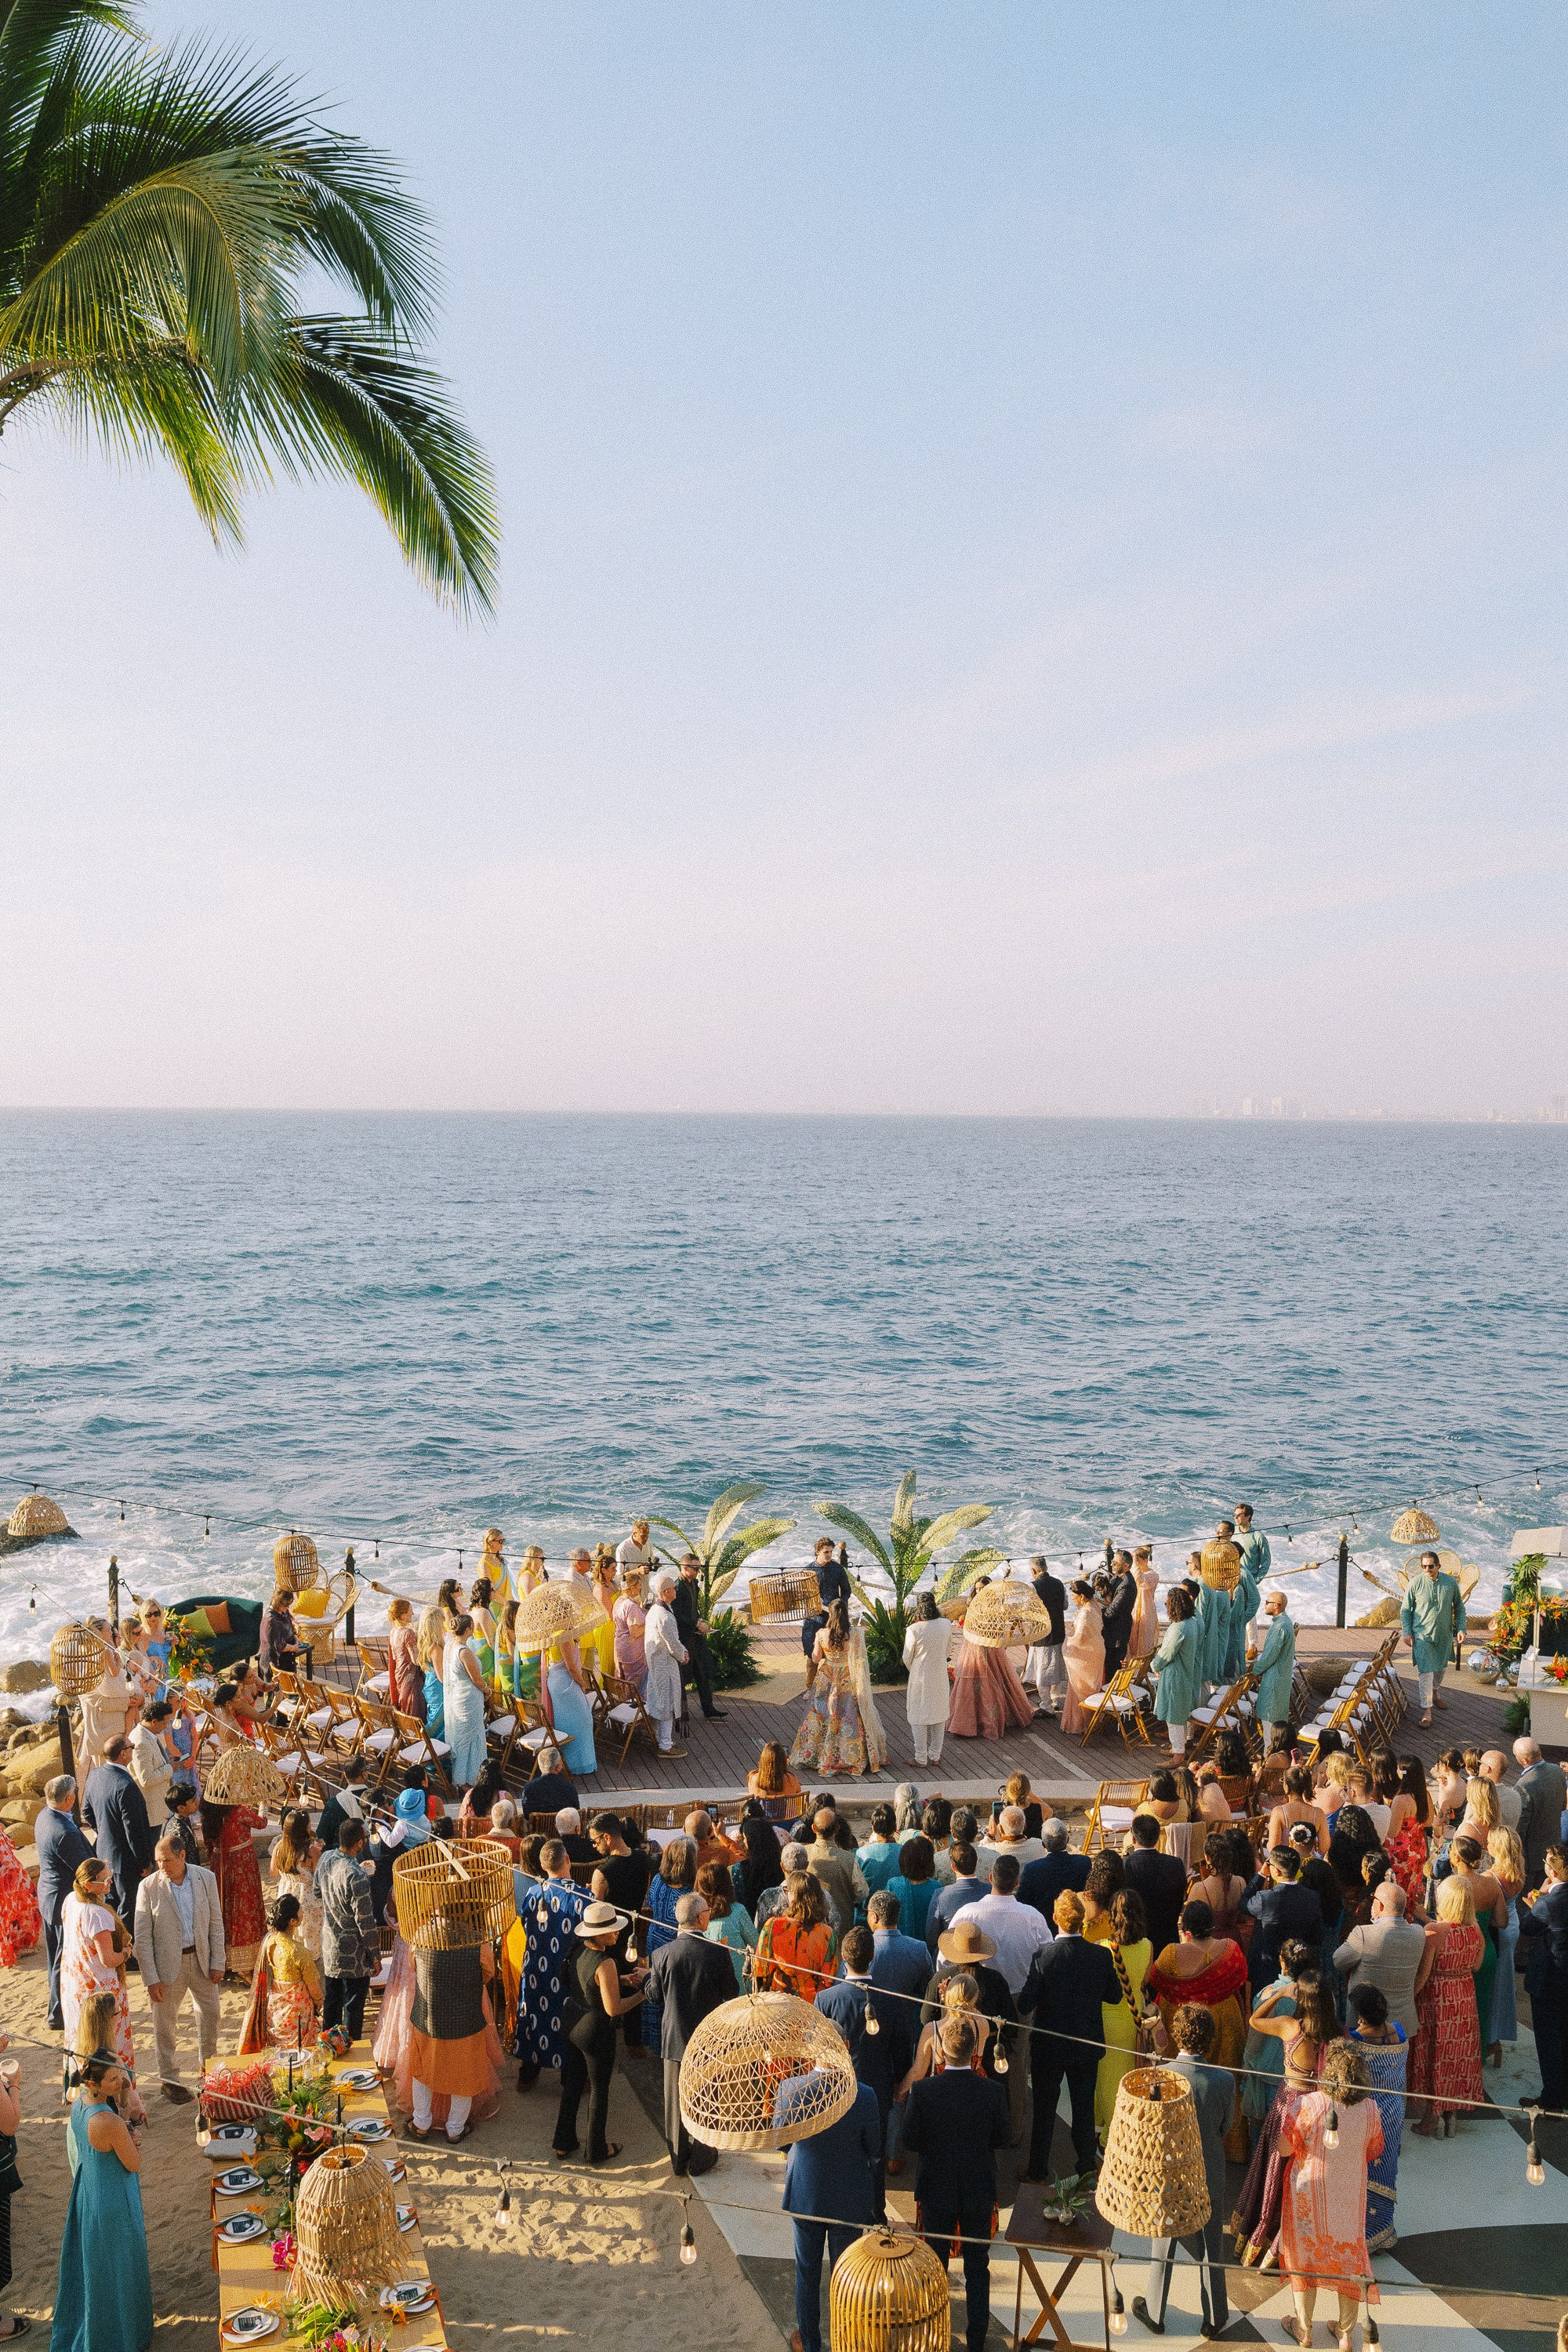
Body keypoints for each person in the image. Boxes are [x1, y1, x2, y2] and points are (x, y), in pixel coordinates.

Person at [902, 2013, 1011, 2352]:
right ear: (972, 2050)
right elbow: (1003, 2138)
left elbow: (910, 2141)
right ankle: (976, 2340)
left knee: (935, 2267)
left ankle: (935, 2334)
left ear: (944, 2050)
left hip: (937, 2189)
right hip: (978, 2188)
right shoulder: (993, 2092)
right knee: (979, 2267)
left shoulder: (923, 2091)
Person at [1133, 2003, 1236, 2341]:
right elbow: (1226, 2127)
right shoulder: (1224, 2080)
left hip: (1170, 2170)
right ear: (1209, 2039)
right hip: (1209, 2167)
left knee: (1163, 2241)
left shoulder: (1160, 2075)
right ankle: (1215, 2316)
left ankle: (1156, 2311)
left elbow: (1151, 2126)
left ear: (1177, 2035)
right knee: (1211, 2243)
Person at [1279, 2040, 1382, 2350]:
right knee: (1350, 2260)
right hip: (1349, 2194)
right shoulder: (1371, 2108)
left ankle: (1305, 2329)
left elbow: (1285, 2148)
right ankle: (1347, 2334)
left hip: (1307, 2193)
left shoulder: (1307, 2104)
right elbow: (1373, 2148)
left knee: (1304, 2259)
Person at [50, 2049, 153, 2352]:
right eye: (113, 2077)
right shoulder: (108, 2123)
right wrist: (129, 2135)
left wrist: (123, 2125)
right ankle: (124, 2337)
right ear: (96, 2083)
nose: (122, 2080)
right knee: (120, 2265)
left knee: (99, 2265)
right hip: (113, 2197)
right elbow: (134, 2163)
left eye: (121, 2070)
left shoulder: (81, 2103)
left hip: (90, 2190)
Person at [777, 2059, 883, 2352]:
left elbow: (781, 2141)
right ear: (843, 2049)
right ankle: (844, 2342)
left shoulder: (791, 2088)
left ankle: (810, 2344)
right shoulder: (864, 2094)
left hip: (806, 2193)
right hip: (849, 2197)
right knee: (846, 2276)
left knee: (807, 2272)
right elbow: (874, 2148)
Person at [1018, 1889, 1116, 2179]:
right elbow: (1113, 1996)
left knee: (1044, 2110)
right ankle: (1086, 2164)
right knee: (1083, 2107)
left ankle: (1038, 2169)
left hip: (1048, 2048)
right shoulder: (1100, 1955)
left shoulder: (1043, 1957)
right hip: (1085, 2045)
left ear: (1055, 1919)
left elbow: (1026, 2004)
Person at [815, 1925, 914, 2200]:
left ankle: (843, 2199)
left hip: (837, 2089)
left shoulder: (825, 1999)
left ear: (843, 1960)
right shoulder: (892, 2000)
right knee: (876, 2151)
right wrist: (899, 2082)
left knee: (841, 2148)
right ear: (872, 1958)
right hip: (879, 2086)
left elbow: (818, 2047)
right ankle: (876, 2207)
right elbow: (903, 2048)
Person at [1146, 1899, 1250, 2158]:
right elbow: (1241, 1976)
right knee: (1227, 2078)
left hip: (1181, 2019)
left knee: (1179, 2077)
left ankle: (1175, 2141)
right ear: (1212, 1926)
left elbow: (1155, 1979)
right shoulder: (1231, 1950)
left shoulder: (1171, 1953)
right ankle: (1230, 2146)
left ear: (1187, 1929)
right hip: (1224, 2019)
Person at [645, 1891, 737, 2176]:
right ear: (701, 1918)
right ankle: (702, 2156)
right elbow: (731, 1992)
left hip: (674, 2037)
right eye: (708, 1911)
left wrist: (645, 1979)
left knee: (674, 2101)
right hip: (708, 2039)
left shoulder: (662, 1955)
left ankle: (678, 2158)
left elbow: (654, 1996)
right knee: (707, 2098)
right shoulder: (718, 1953)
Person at [132, 1831, 223, 2098]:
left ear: (183, 1856)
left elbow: (215, 1922)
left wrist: (218, 1960)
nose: (161, 1866)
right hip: (166, 1968)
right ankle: (170, 2079)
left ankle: (208, 2072)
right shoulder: (148, 1887)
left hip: (201, 1960)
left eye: (167, 1860)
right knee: (165, 2023)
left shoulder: (206, 1878)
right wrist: (150, 1978)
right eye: (158, 1861)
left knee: (211, 2015)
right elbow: (142, 1937)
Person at [555, 1900, 646, 2165]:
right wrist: (641, 1995)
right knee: (598, 2090)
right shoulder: (606, 1962)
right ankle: (596, 2150)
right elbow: (614, 2009)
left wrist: (619, 1981)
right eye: (613, 1929)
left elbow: (586, 1981)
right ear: (599, 1933)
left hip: (571, 2019)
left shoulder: (577, 1948)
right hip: (594, 2030)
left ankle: (563, 2142)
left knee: (572, 2084)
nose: (617, 1933)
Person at [408, 1931, 503, 2144]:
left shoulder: (421, 1936)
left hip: (428, 2017)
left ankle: (421, 2124)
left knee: (423, 2070)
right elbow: (487, 1973)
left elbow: (414, 1965)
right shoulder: (477, 1941)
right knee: (464, 2074)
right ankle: (455, 2129)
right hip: (465, 2019)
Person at [1408, 1875, 1483, 2136]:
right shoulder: (1475, 1930)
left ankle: (1431, 2117)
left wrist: (1406, 2001)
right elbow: (1476, 1965)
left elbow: (1423, 1975)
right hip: (1464, 1996)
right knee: (1456, 2054)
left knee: (1434, 2054)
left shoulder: (1434, 1933)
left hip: (1436, 1999)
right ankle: (1451, 2114)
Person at [517, 1841, 592, 2087]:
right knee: (568, 2021)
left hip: (537, 1969)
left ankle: (528, 2074)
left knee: (534, 2016)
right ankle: (570, 2079)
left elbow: (526, 1925)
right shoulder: (585, 1896)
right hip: (568, 1970)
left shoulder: (533, 1893)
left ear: (542, 1866)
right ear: (568, 1860)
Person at [1345, 1984, 1406, 2256]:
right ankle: (1383, 2231)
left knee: (1364, 2168)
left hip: (1368, 2115)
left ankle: (1363, 2235)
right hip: (1393, 2111)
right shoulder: (1400, 2031)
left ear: (1360, 2014)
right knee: (1388, 2163)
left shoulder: (1355, 2041)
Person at [792, 1599, 885, 1775]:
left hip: (827, 1677)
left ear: (831, 1614)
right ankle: (851, 1756)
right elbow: (859, 1659)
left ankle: (816, 1754)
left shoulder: (821, 1634)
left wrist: (818, 1649)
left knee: (822, 1714)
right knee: (849, 1716)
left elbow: (815, 1659)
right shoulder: (855, 1634)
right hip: (847, 1676)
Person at [60, 1860, 135, 2078]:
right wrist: (126, 1954)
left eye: (109, 1875)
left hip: (76, 1984)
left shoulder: (70, 1900)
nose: (109, 1881)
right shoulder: (98, 1914)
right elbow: (109, 1959)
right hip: (100, 1988)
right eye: (104, 1879)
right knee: (111, 2042)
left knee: (80, 2037)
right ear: (88, 1885)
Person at [1090, 1886, 1152, 2132]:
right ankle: (1126, 2127)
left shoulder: (1101, 1946)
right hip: (1134, 2020)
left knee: (1106, 2082)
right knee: (1131, 2078)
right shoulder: (1147, 1945)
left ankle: (1106, 2130)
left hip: (1106, 2019)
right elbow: (1145, 1980)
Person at [951, 1853, 1051, 2004]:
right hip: (1019, 1994)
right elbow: (1048, 1955)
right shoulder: (1033, 1917)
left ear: (991, 1878)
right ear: (1017, 1883)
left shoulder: (968, 1913)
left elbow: (946, 1957)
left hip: (978, 1996)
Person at [1333, 1881, 1425, 2038]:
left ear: (1380, 1906)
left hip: (1365, 2024)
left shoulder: (1364, 1934)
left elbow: (1338, 1961)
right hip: (1402, 2025)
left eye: (1373, 1899)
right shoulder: (1418, 1933)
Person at [37, 1778, 93, 2031]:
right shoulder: (65, 1833)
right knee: (62, 1958)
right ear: (69, 1799)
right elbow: (85, 1869)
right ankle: (57, 2014)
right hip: (61, 1900)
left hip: (49, 1895)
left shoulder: (45, 1816)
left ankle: (58, 2008)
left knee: (56, 1956)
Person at [81, 1740, 154, 1929]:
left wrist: (105, 1832)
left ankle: (113, 1945)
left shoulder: (95, 1774)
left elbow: (87, 1812)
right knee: (128, 1908)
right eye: (131, 1747)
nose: (133, 1750)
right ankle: (124, 1952)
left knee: (111, 1903)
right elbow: (134, 1830)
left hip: (105, 1854)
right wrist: (144, 1862)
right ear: (123, 1753)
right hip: (127, 1862)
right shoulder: (125, 1786)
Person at [316, 1820, 378, 2045]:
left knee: (331, 2005)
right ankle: (351, 2058)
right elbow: (366, 1922)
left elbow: (317, 1891)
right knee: (353, 2009)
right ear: (359, 1842)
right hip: (354, 1955)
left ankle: (327, 2052)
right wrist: (376, 1956)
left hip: (331, 1946)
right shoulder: (357, 1876)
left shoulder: (325, 1859)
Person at [947, 1586, 1034, 1741]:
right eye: (978, 1588)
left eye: (984, 1588)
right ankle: (965, 1723)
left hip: (990, 1647)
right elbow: (967, 1625)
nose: (981, 1590)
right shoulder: (972, 1604)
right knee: (970, 1682)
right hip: (973, 1647)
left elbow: (999, 1630)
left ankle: (991, 1721)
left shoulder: (996, 1607)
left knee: (995, 1679)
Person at [240, 1892, 321, 2053]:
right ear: (293, 1922)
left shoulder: (270, 1941)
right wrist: (319, 2002)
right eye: (300, 1911)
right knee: (301, 2054)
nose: (302, 1912)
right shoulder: (300, 1953)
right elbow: (314, 1989)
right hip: (297, 2013)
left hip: (276, 2011)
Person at [1519, 1842, 1568, 2110]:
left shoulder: (1551, 1901)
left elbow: (1528, 1926)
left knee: (1549, 2043)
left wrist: (1539, 1898)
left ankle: (1552, 2100)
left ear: (1554, 1871)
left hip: (1549, 1981)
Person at [198, 1796, 266, 1980]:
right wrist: (263, 1804)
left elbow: (208, 1845)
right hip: (242, 1865)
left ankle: (224, 1959)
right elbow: (262, 1823)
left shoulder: (209, 1816)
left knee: (224, 1909)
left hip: (220, 1868)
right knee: (244, 1908)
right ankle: (244, 1963)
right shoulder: (238, 1812)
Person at [1247, 1846, 1327, 1994]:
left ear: (1276, 1871)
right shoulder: (1312, 1897)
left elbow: (1244, 1902)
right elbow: (1317, 1937)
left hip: (1266, 1969)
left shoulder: (1266, 1899)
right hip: (1298, 1968)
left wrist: (1261, 1876)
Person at [1400, 1549, 1465, 1727]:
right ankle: (1427, 1711)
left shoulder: (1450, 1583)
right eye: (1424, 1566)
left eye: (1431, 1566)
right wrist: (1407, 1631)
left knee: (1441, 1668)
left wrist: (1461, 1628)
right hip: (1422, 1634)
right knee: (1426, 1672)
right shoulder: (1415, 1583)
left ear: (1438, 1566)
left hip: (1444, 1634)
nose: (1427, 1569)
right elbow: (1406, 1610)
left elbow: (1459, 1608)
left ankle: (1435, 1693)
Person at [755, 1871, 839, 2002]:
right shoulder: (827, 1934)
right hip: (813, 2003)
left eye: (788, 1890)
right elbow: (830, 1979)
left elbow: (761, 1969)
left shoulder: (772, 1926)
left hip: (779, 2000)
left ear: (794, 1895)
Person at [1123, 1814, 1189, 1962]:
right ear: (1158, 1837)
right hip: (1168, 1939)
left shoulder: (1126, 1865)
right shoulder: (1175, 1864)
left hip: (1137, 1942)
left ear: (1134, 1839)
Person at [1149, 1586, 1203, 1756]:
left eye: (1167, 1603)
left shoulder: (1178, 1628)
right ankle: (1178, 1748)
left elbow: (1166, 1654)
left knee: (1173, 1715)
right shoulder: (1192, 1624)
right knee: (1179, 1713)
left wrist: (1154, 1666)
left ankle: (1179, 1753)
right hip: (1186, 1673)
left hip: (1175, 1675)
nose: (1166, 1606)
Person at [671, 1554, 726, 1722]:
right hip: (685, 1638)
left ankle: (709, 1709)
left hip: (695, 1635)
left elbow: (693, 1610)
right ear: (685, 1568)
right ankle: (678, 1712)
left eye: (699, 1568)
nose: (698, 1571)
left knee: (703, 1672)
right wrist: (696, 1623)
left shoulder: (694, 1584)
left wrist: (701, 1620)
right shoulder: (678, 1587)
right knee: (684, 1677)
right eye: (695, 1568)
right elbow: (677, 1615)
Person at [903, 1593, 956, 1762]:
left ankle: (920, 1757)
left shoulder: (914, 1630)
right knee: (939, 1713)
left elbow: (907, 1657)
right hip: (939, 1673)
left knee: (918, 1714)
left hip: (920, 1675)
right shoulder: (946, 1624)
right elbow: (948, 1650)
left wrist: (915, 1668)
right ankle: (935, 1755)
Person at [439, 1611, 488, 1790]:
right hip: (468, 1699)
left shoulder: (450, 1645)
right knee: (470, 1738)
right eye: (472, 1627)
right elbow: (476, 1679)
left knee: (465, 1739)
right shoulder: (464, 1652)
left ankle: (467, 1777)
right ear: (468, 1629)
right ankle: (465, 1780)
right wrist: (487, 1690)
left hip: (457, 1696)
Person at [643, 1575, 689, 1759]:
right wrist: (683, 1656)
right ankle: (665, 1745)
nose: (676, 1591)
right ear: (666, 1592)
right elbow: (672, 1643)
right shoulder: (665, 1617)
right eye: (674, 1589)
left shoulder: (655, 1610)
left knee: (658, 1701)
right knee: (667, 1705)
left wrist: (681, 1650)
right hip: (664, 1665)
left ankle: (658, 1737)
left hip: (656, 1663)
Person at [1515, 1737, 1568, 1890]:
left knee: (1530, 1898)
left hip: (1532, 1857)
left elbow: (1521, 1828)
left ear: (1523, 1760)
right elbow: (1563, 1805)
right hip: (1554, 1846)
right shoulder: (1557, 1771)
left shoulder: (1524, 1785)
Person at [267, 1809, 323, 1955]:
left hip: (286, 1894)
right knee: (310, 1941)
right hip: (308, 1899)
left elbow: (273, 1873)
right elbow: (319, 1880)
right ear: (306, 1828)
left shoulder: (279, 1847)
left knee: (289, 1938)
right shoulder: (312, 1852)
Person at [800, 1537, 853, 1690]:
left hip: (833, 1618)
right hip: (813, 1617)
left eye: (831, 1552)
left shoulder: (837, 1569)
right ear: (817, 1552)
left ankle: (833, 1687)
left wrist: (838, 1608)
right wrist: (808, 1605)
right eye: (826, 1552)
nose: (829, 1555)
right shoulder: (807, 1571)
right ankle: (810, 1688)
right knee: (812, 1656)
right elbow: (801, 1595)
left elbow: (847, 1591)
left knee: (834, 1654)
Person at [78, 1646, 134, 1778]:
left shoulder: (110, 1673)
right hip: (102, 1737)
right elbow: (100, 1702)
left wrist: (138, 1699)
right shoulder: (85, 1678)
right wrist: (128, 1702)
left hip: (121, 1733)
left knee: (127, 1777)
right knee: (108, 1778)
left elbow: (130, 1689)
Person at [1249, 1590, 1296, 1748]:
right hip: (1281, 1676)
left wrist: (1254, 1671)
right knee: (1277, 1719)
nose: (1265, 1605)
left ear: (1276, 1606)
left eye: (1268, 1602)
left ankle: (1270, 1756)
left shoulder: (1279, 1627)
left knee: (1270, 1719)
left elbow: (1269, 1655)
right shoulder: (1285, 1623)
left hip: (1275, 1678)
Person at [1024, 1555, 1069, 1711]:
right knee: (1055, 1669)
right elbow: (1065, 1606)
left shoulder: (1032, 1587)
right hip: (1058, 1632)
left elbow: (1027, 1611)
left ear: (1033, 1571)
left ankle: (1046, 1706)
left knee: (1041, 1673)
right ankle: (1055, 1701)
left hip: (1042, 1634)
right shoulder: (1059, 1584)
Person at [125, 1704, 173, 1834]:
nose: (166, 1727)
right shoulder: (141, 1742)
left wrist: (167, 1762)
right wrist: (170, 1768)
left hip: (158, 1808)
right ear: (154, 1721)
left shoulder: (147, 1734)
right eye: (165, 1723)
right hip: (151, 1812)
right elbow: (146, 1779)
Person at [612, 1567, 649, 1695]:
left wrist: (642, 1611)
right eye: (639, 1585)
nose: (640, 1588)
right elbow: (635, 1632)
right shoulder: (631, 1606)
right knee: (637, 1684)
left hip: (621, 1647)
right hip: (633, 1651)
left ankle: (628, 1707)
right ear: (632, 1587)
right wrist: (650, 1621)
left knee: (626, 1681)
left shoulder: (619, 1601)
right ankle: (639, 1709)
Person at [1101, 1552, 1138, 1679]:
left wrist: (1093, 1613)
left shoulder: (1127, 1585)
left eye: (1115, 1563)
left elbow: (1111, 1612)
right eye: (1112, 1562)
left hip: (1117, 1634)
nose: (1111, 1564)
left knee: (1113, 1670)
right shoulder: (1117, 1577)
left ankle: (1113, 1696)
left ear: (1126, 1566)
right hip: (1112, 1632)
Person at [258, 1588, 300, 1675]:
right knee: (273, 1686)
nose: (288, 1608)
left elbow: (289, 1619)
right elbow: (279, 1645)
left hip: (285, 1656)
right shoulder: (271, 1621)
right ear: (278, 1603)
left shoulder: (282, 1611)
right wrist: (294, 1647)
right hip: (272, 1660)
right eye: (286, 1606)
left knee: (289, 1683)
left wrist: (294, 1630)